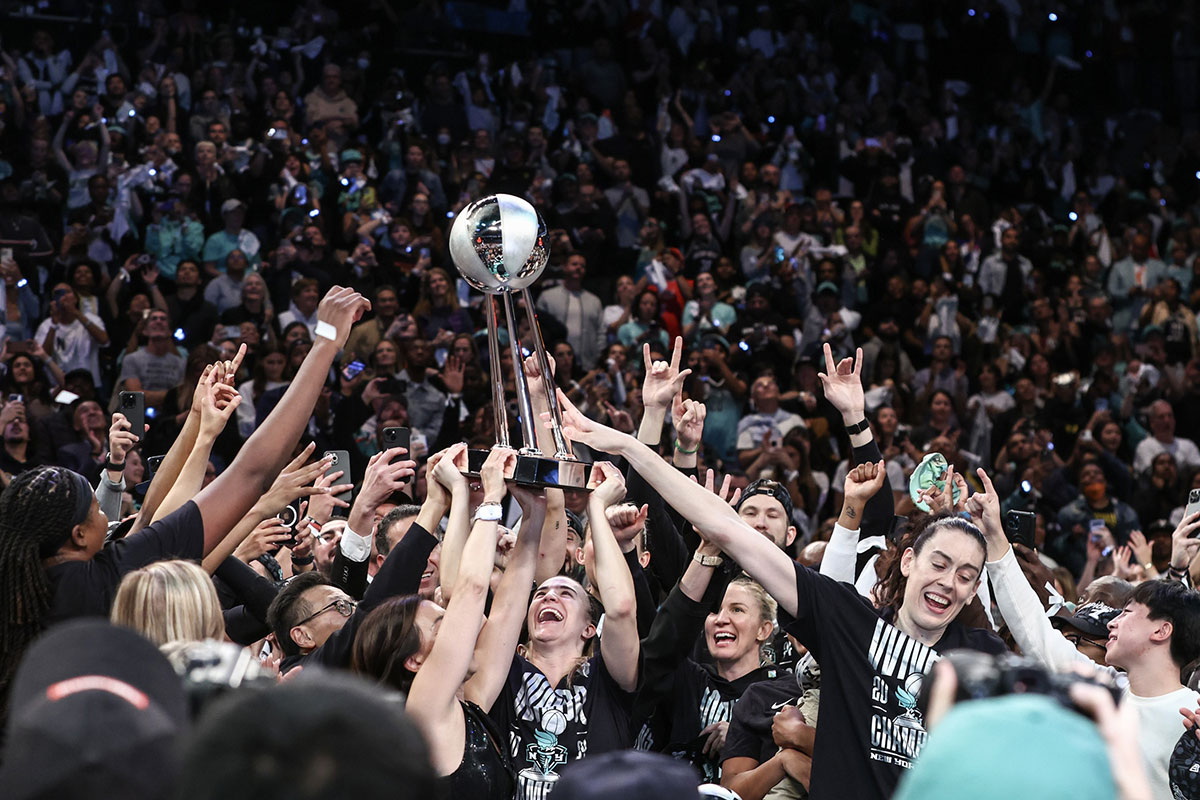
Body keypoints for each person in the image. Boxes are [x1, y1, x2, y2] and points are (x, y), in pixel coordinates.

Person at [550, 344, 1006, 800]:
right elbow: (725, 528)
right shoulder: (851, 623)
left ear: (973, 592)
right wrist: (631, 445)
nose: (949, 581)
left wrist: (999, 546)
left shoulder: (982, 657)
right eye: (940, 564)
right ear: (908, 562)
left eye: (966, 575)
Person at [0, 286, 370, 725]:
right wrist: (325, 342)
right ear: (79, 536)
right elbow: (250, 471)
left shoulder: (27, 586)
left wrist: (199, 424)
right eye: (96, 511)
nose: (109, 514)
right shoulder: (104, 581)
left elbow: (157, 510)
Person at [352, 447, 545, 798]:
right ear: (414, 660)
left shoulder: (469, 703)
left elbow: (508, 610)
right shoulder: (422, 711)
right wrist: (490, 498)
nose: (467, 629)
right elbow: (470, 591)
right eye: (443, 625)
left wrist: (534, 515)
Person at [982, 498, 1200, 798]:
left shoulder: (1194, 714)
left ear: (1161, 630)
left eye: (1127, 612)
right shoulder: (1102, 691)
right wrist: (995, 539)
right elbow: (1034, 631)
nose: (1112, 623)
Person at [487, 461, 641, 799]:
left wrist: (595, 509)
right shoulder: (503, 672)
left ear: (589, 629)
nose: (549, 596)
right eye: (541, 593)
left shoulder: (607, 679)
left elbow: (622, 607)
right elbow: (468, 597)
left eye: (565, 593)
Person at [537, 252, 606, 371]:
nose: (578, 268)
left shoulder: (594, 301)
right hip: (552, 365)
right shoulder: (547, 297)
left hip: (586, 364)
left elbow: (601, 332)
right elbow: (537, 329)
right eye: (574, 264)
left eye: (582, 266)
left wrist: (598, 356)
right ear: (564, 266)